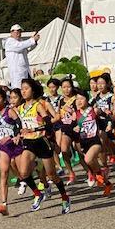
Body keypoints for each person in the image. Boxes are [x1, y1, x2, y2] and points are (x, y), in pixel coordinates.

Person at [16, 78, 70, 215]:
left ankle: (65, 197)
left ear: (33, 90)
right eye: (22, 89)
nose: (23, 91)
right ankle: (37, 194)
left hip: (41, 141)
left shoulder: (38, 105)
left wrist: (33, 130)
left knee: (52, 175)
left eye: (26, 88)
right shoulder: (20, 107)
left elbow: (48, 123)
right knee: (23, 173)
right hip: (28, 143)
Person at [0, 87, 23, 215]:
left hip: (16, 145)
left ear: (4, 99)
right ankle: (4, 203)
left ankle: (38, 189)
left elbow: (19, 125)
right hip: (4, 148)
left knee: (24, 172)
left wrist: (14, 136)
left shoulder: (10, 111)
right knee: (4, 173)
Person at [72, 89, 113, 196]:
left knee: (88, 159)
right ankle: (106, 182)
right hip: (84, 142)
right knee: (90, 162)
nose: (79, 101)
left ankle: (99, 173)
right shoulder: (75, 114)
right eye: (77, 99)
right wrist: (75, 128)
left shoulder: (94, 110)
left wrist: (109, 125)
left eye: (81, 98)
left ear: (87, 99)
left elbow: (108, 116)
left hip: (95, 140)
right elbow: (71, 128)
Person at [4, 24, 39, 89]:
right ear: (11, 32)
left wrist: (35, 41)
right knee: (19, 89)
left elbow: (27, 49)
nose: (18, 34)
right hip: (16, 72)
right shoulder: (9, 41)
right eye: (16, 32)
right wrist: (32, 40)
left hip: (24, 70)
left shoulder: (21, 42)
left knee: (28, 88)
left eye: (19, 32)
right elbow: (19, 46)